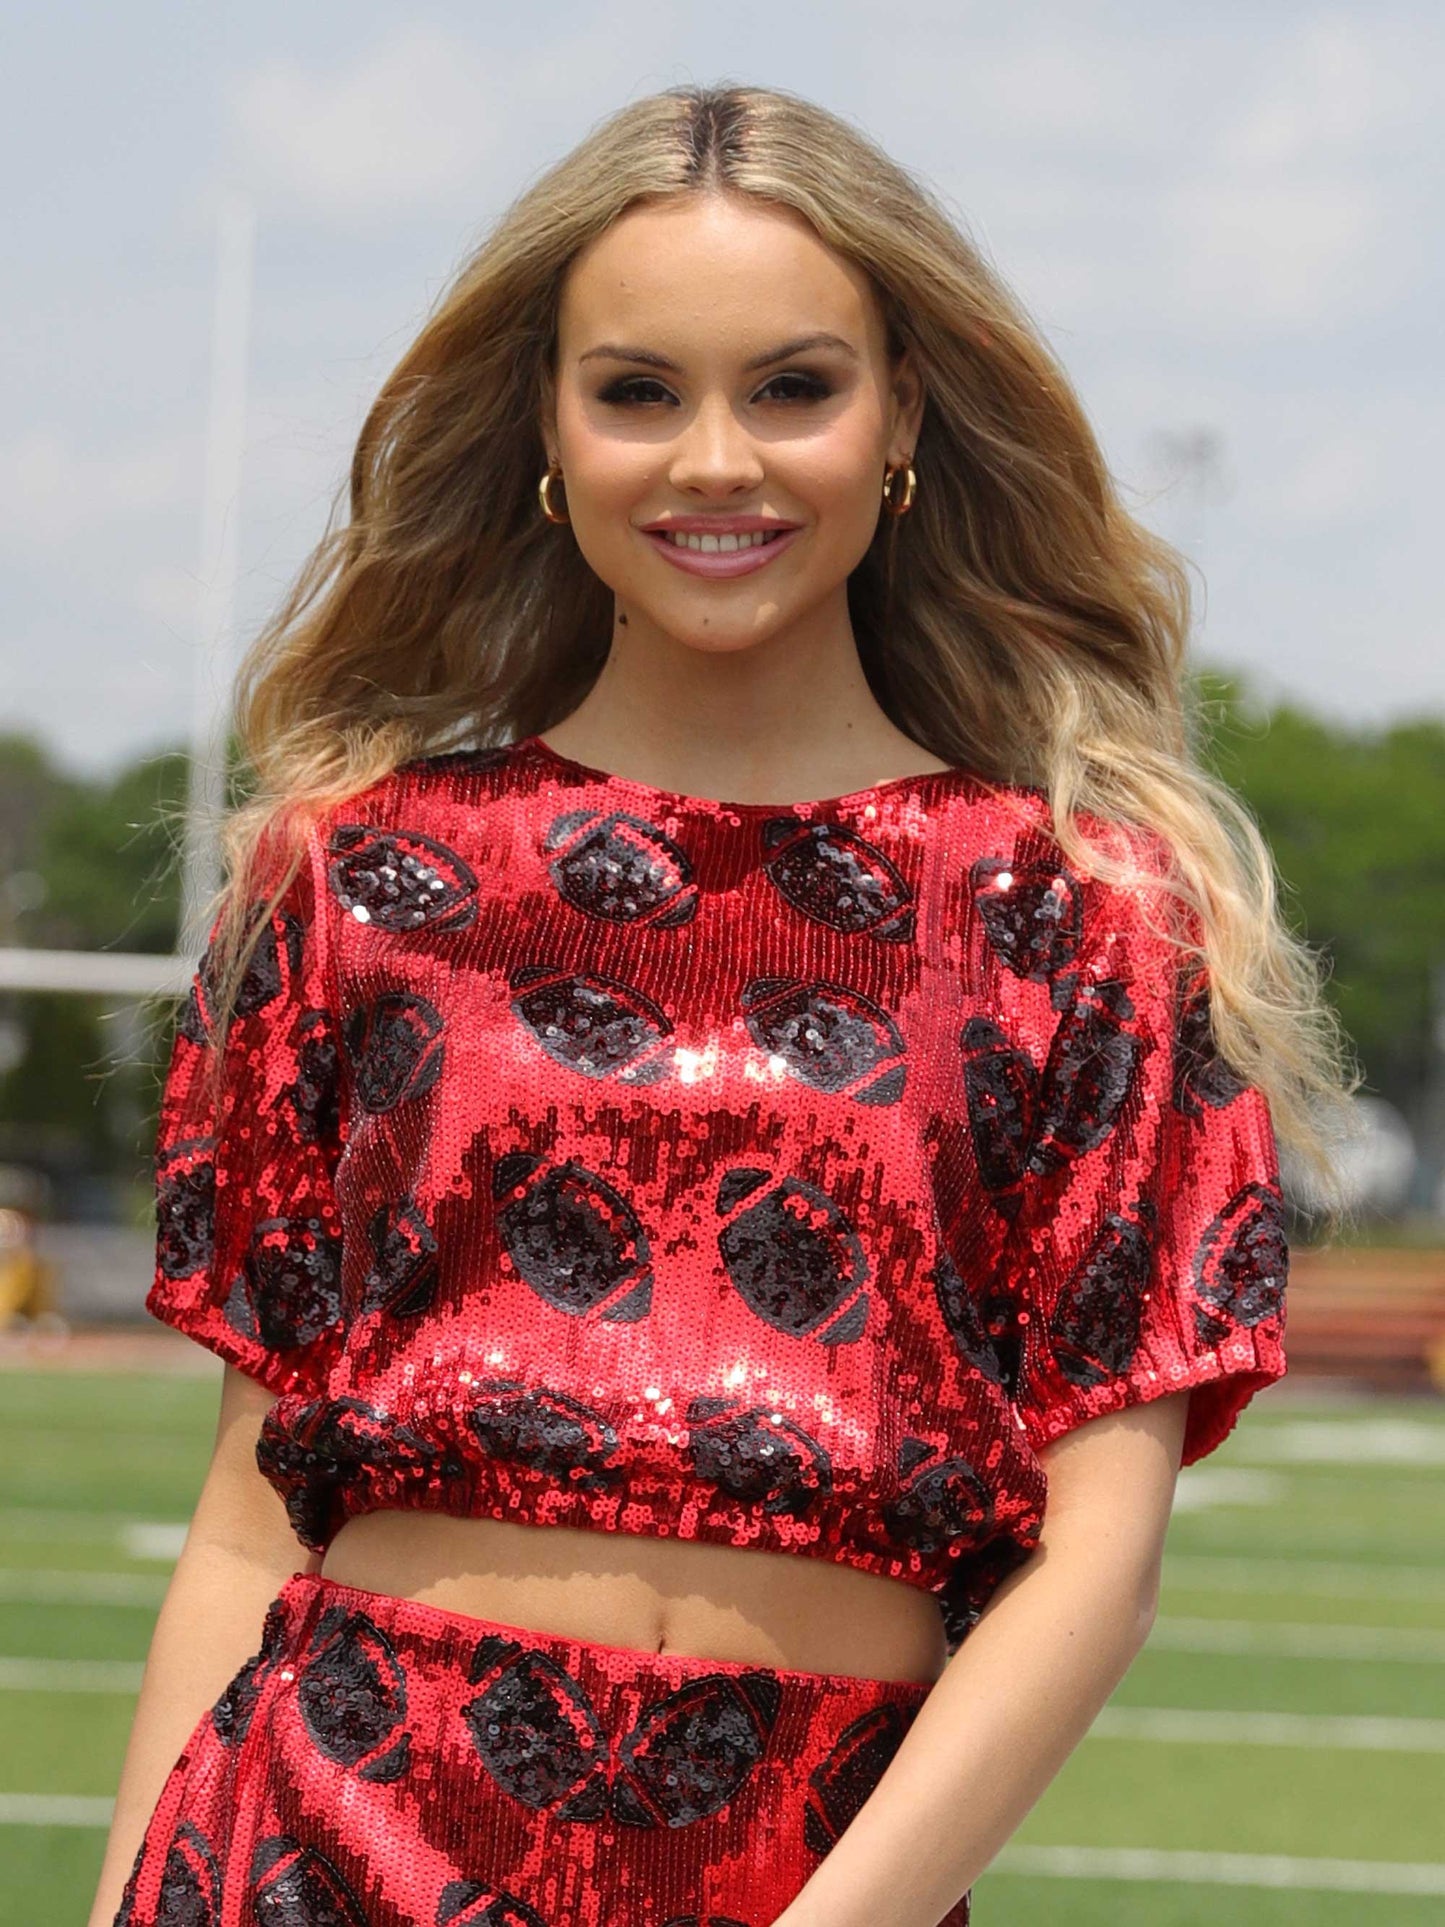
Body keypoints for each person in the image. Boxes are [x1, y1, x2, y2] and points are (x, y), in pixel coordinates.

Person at [92, 81, 1350, 1927]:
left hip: (814, 1868)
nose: (712, 461)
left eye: (790, 386)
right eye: (635, 390)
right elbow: (241, 1508)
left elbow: (1097, 1561)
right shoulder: (350, 876)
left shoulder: (1075, 913)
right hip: (322, 1840)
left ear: (902, 409)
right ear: (545, 421)